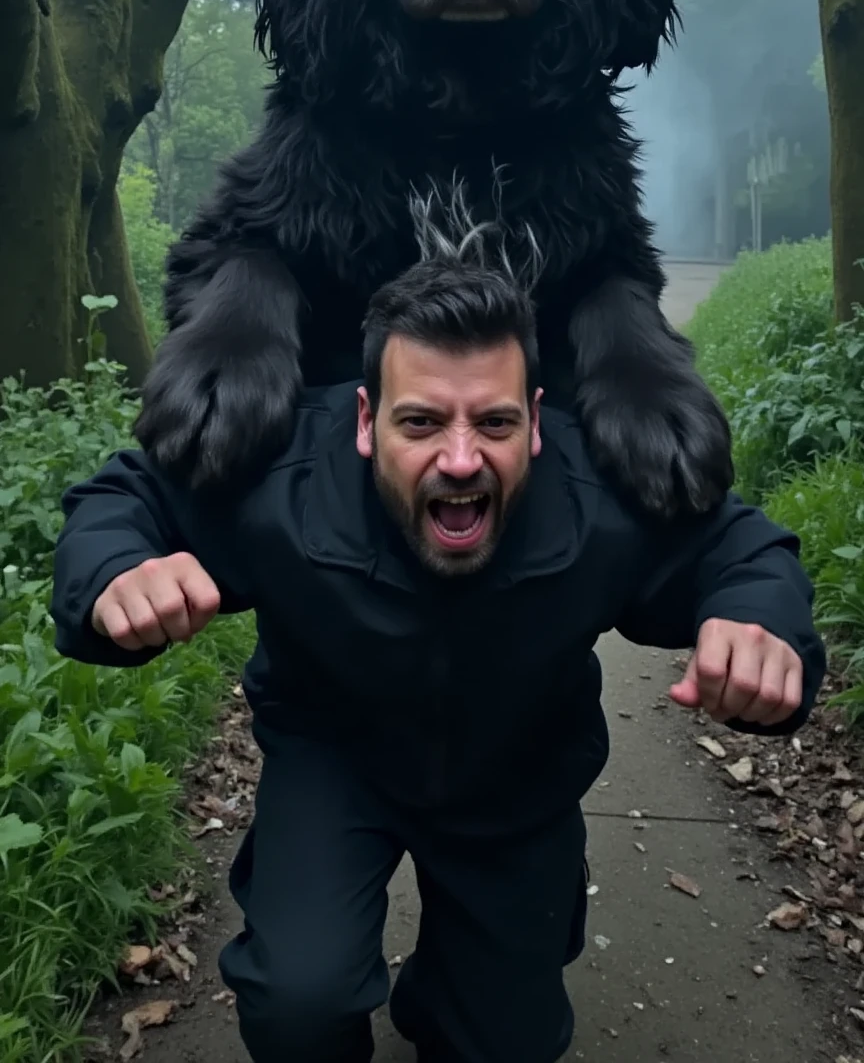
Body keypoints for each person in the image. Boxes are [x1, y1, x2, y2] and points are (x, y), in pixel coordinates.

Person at [51, 217, 826, 1063]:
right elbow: (126, 498)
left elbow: (739, 550)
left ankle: (448, 994)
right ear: (362, 417)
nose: (460, 460)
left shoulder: (593, 490)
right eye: (420, 424)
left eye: (492, 424)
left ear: (536, 420)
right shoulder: (287, 473)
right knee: (297, 1001)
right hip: (334, 754)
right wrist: (117, 573)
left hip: (519, 769)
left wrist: (760, 626)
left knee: (499, 1039)